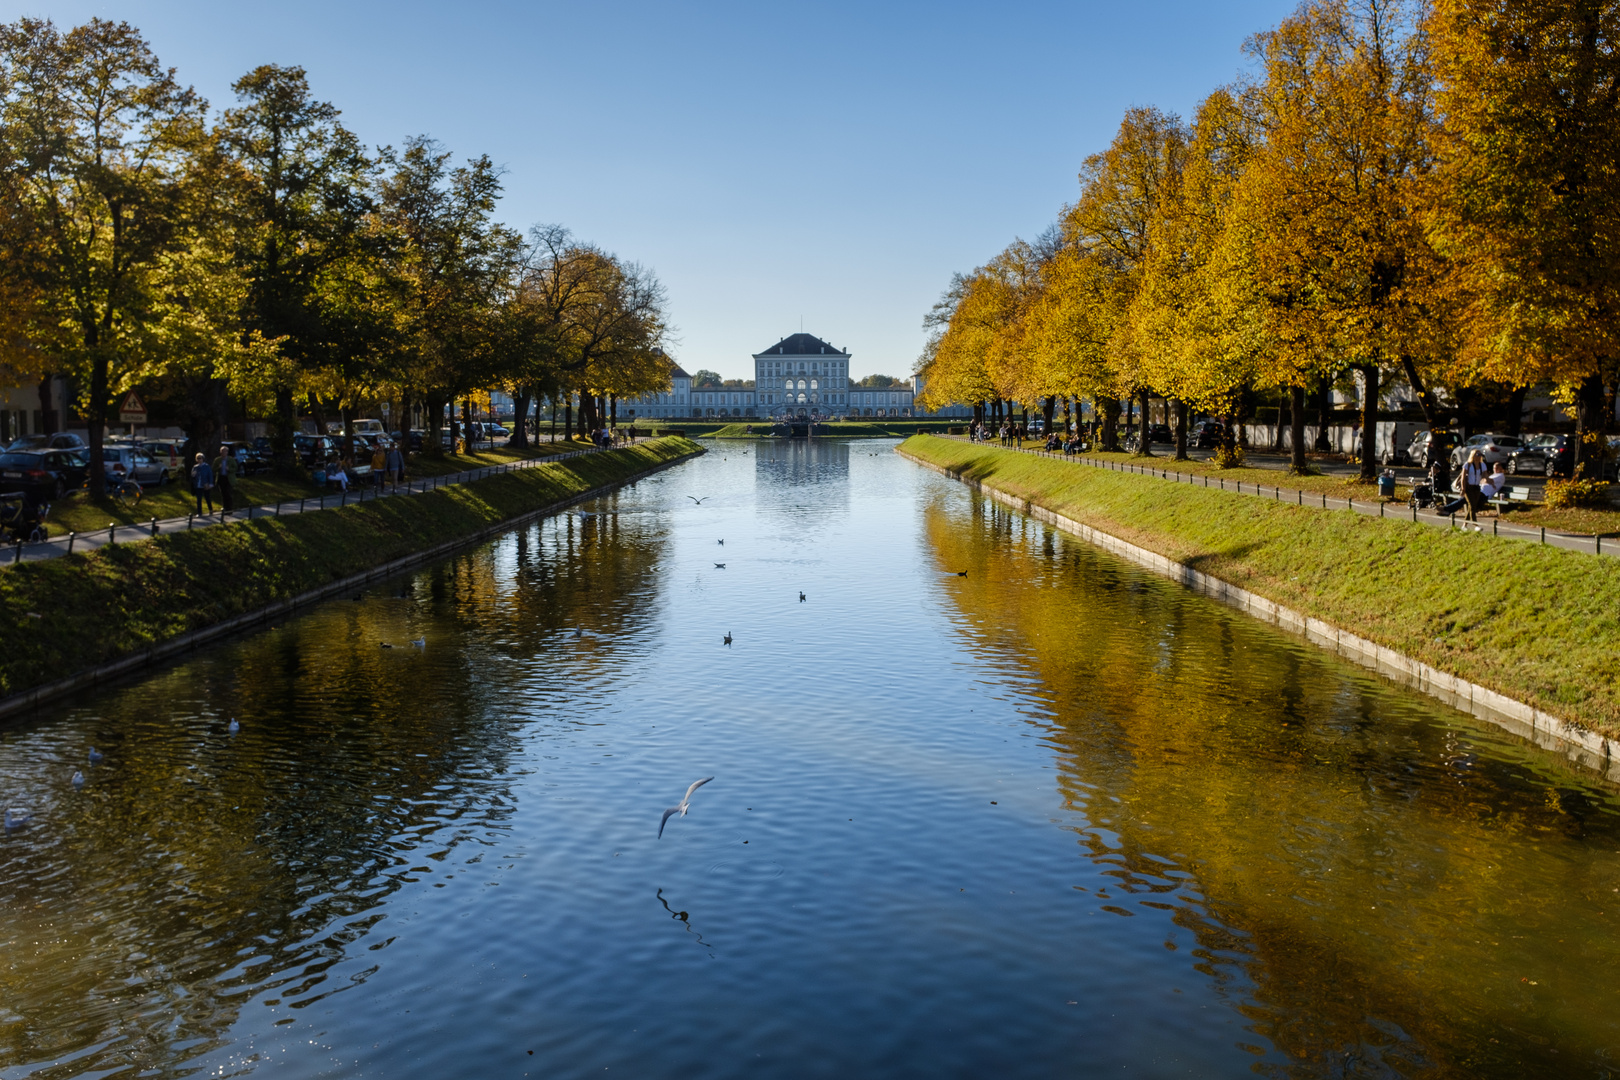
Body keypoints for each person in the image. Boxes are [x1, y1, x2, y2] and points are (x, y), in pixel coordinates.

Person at [1461, 448, 1488, 522]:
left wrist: (1489, 481)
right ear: (1473, 455)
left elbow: (1485, 475)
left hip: (1476, 487)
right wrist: (1463, 488)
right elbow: (1463, 477)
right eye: (1478, 455)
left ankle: (1465, 524)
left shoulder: (1482, 465)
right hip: (1469, 487)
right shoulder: (1467, 465)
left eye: (1480, 455)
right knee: (1472, 505)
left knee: (1472, 506)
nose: (1479, 457)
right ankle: (1475, 524)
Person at [211, 446, 235, 513]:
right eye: (222, 452)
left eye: (225, 451)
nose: (223, 453)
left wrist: (229, 469)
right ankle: (224, 507)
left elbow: (235, 468)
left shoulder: (231, 459)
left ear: (227, 452)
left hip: (228, 478)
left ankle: (229, 508)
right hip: (221, 478)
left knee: (228, 493)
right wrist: (218, 468)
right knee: (223, 493)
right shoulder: (217, 460)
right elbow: (213, 469)